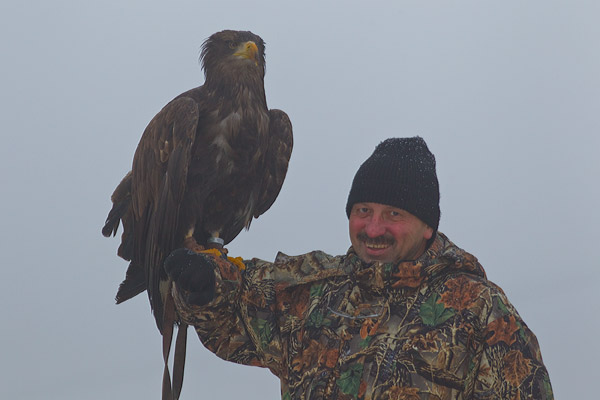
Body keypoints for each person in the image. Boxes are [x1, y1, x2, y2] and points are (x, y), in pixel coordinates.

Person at [165, 137, 553, 399]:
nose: (373, 228)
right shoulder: (316, 290)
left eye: (394, 214)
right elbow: (236, 311)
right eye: (363, 211)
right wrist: (204, 285)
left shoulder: (479, 309)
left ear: (428, 226)